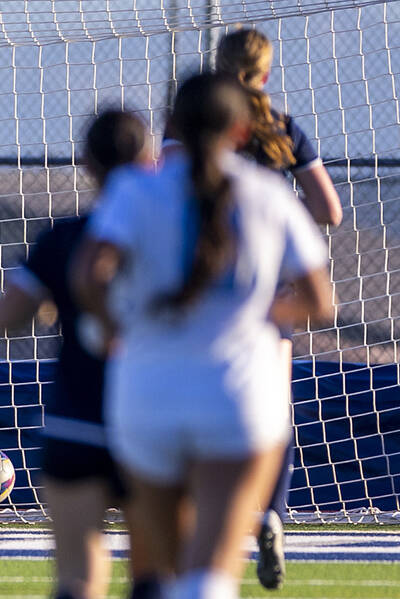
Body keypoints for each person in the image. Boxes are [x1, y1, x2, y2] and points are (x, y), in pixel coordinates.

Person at [72, 73, 333, 598]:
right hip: (236, 397)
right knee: (210, 573)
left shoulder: (134, 189)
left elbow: (88, 275)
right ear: (241, 131)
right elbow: (321, 302)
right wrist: (251, 311)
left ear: (170, 126)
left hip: (145, 395)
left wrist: (116, 326)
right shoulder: (267, 193)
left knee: (163, 568)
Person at [0, 110, 159, 599]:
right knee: (155, 579)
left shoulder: (64, 238)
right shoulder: (175, 238)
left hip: (77, 419)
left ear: (87, 163)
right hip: (154, 422)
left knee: (78, 581)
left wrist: (48, 297)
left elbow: (1, 320)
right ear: (150, 159)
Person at [212, 28, 343, 590]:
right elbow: (330, 210)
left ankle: (206, 517)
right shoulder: (283, 129)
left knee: (205, 395)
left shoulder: (198, 127)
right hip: (272, 287)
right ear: (265, 74)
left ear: (218, 68)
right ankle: (272, 510)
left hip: (211, 280)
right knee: (272, 405)